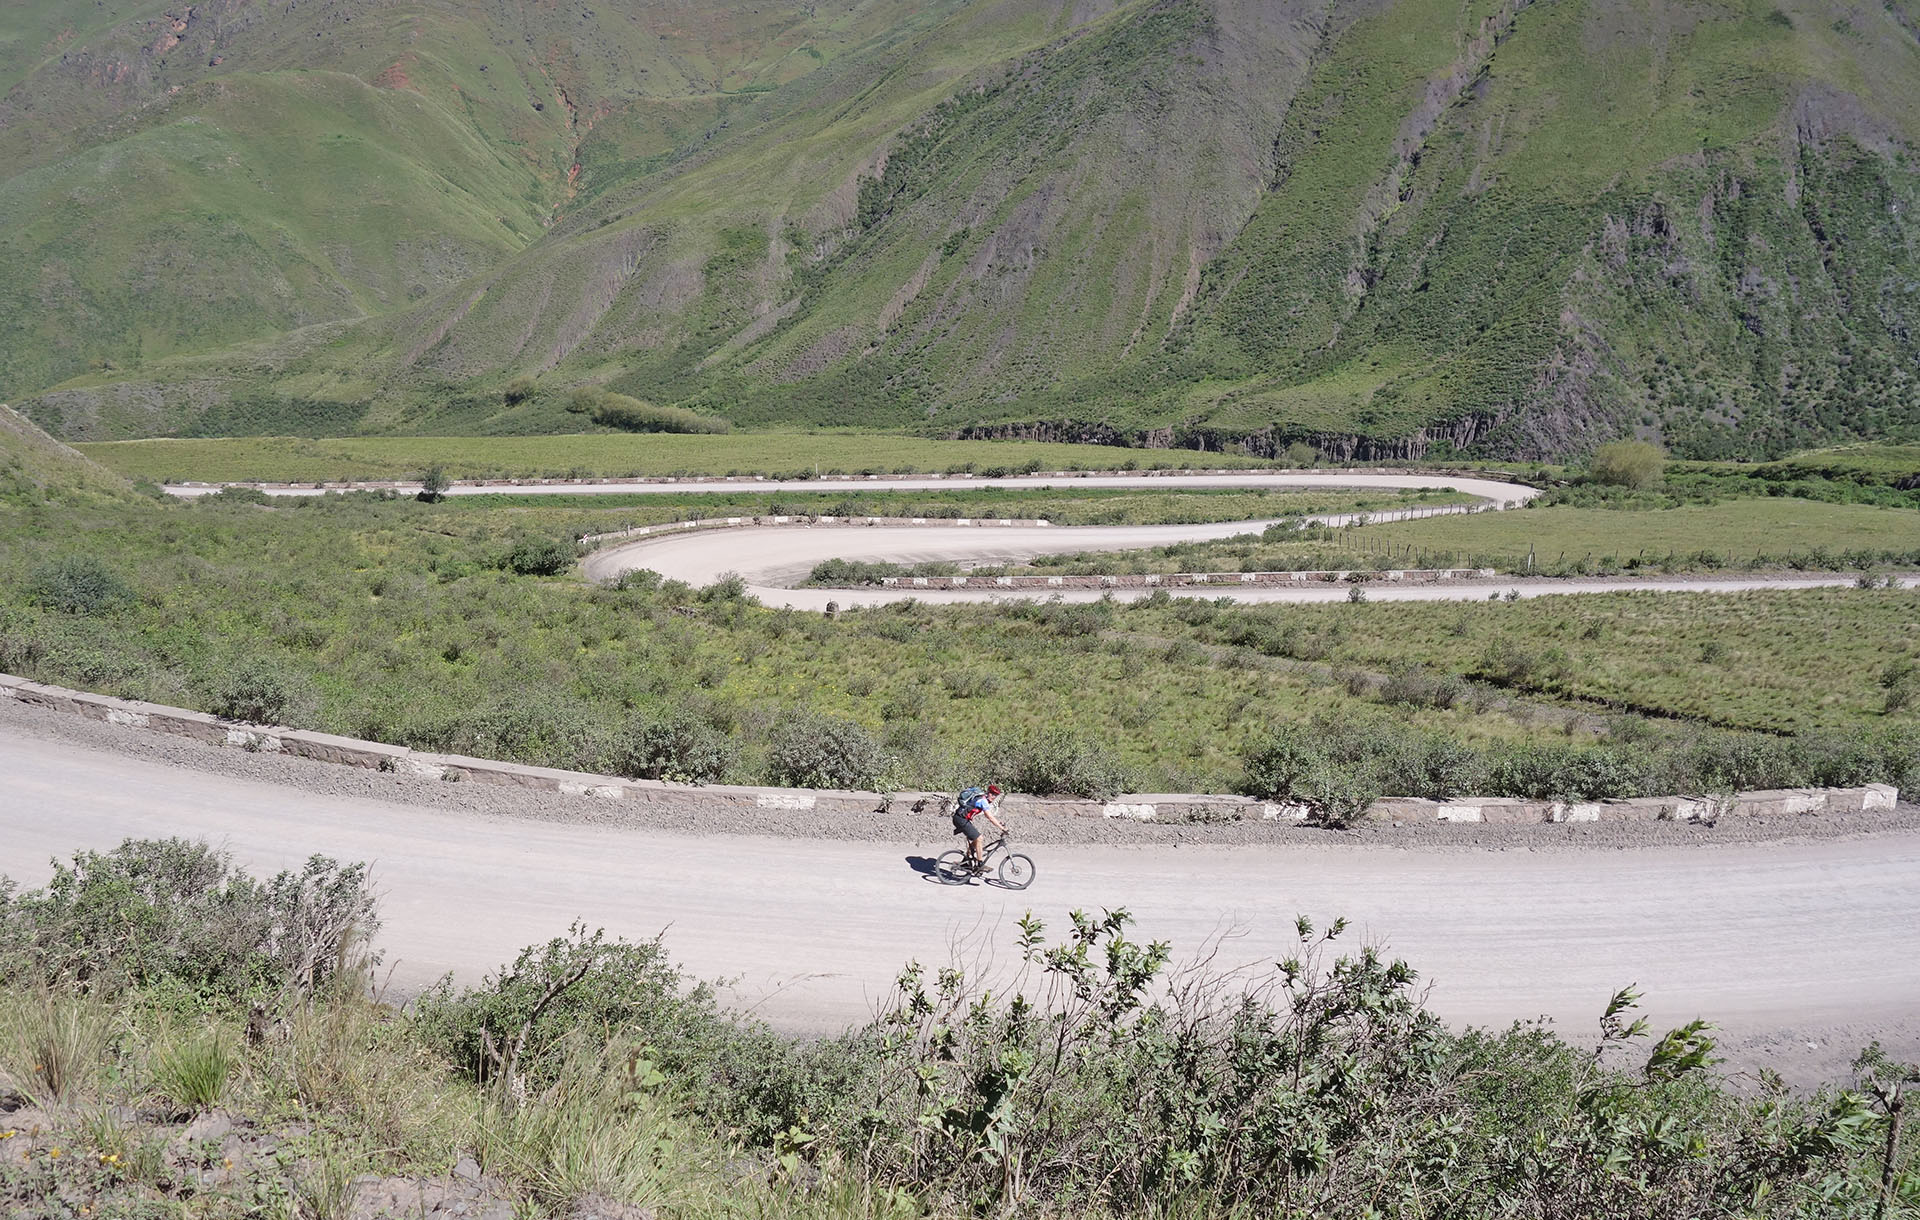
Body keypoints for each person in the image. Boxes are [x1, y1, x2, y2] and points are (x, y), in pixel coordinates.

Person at [954, 783, 1007, 871]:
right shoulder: (983, 801)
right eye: (992, 794)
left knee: (976, 841)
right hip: (960, 820)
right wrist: (1002, 828)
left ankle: (965, 862)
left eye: (995, 795)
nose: (993, 796)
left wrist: (998, 823)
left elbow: (989, 816)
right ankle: (980, 864)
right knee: (979, 838)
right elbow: (990, 817)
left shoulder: (982, 799)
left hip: (961, 819)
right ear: (988, 792)